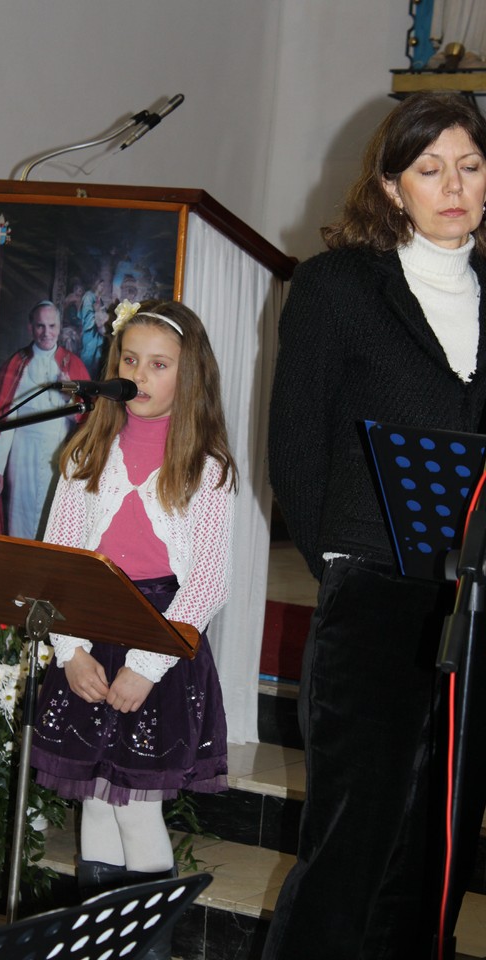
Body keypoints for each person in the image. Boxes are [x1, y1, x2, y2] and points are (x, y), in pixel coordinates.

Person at [265, 92, 486, 960]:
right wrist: (344, 567)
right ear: (393, 186)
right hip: (374, 596)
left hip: (476, 606)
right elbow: (296, 447)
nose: (454, 187)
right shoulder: (337, 286)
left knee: (438, 850)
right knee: (350, 849)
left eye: (470, 166)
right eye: (430, 169)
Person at [31, 299, 237, 960]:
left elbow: (207, 583)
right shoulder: (87, 453)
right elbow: (59, 561)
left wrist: (146, 667)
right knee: (95, 799)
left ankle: (149, 949)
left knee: (134, 804)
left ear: (189, 375)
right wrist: (71, 652)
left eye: (159, 365)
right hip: (89, 633)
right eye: (130, 360)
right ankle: (100, 946)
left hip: (159, 643)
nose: (139, 376)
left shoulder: (207, 468)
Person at [0, 300, 89, 539]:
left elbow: (87, 416)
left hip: (58, 452)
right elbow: (5, 419)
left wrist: (69, 395)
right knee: (20, 514)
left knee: (54, 516)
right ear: (30, 327)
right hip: (22, 451)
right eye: (40, 326)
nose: (46, 332)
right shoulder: (17, 364)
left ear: (59, 327)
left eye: (52, 326)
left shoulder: (73, 364)